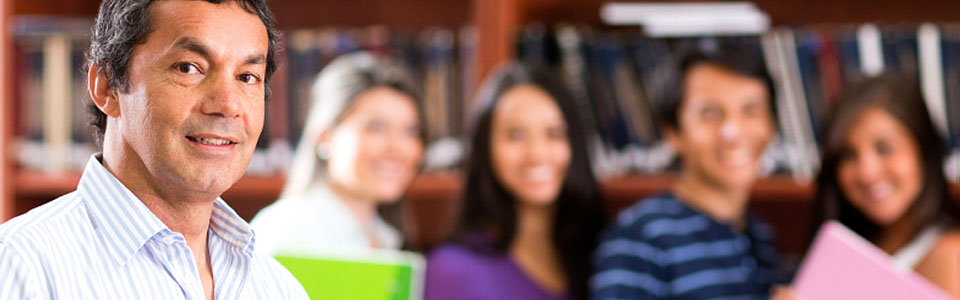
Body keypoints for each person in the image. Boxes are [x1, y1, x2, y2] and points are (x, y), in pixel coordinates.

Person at [0, 0, 307, 298]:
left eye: (247, 77)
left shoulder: (278, 288)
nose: (227, 105)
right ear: (107, 86)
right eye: (189, 68)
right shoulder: (22, 267)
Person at [591, 42, 782, 299]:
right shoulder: (641, 239)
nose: (733, 133)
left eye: (751, 111)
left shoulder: (761, 238)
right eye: (711, 114)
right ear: (673, 132)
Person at [424, 63, 605, 300]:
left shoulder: (602, 259)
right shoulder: (452, 271)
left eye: (554, 133)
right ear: (485, 148)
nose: (537, 153)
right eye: (516, 135)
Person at [772, 74, 960, 299]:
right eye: (849, 155)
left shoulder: (951, 254)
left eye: (884, 149)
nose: (867, 173)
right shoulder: (846, 249)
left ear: (924, 151)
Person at [250, 52, 425, 254]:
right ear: (325, 136)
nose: (398, 148)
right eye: (376, 127)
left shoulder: (386, 238)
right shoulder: (287, 229)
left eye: (411, 131)